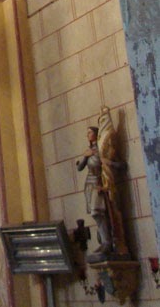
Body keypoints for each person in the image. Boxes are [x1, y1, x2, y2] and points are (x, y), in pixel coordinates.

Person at [76, 108, 128, 262]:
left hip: (101, 183)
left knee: (99, 213)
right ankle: (104, 241)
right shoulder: (89, 151)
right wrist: (85, 157)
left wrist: (108, 162)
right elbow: (80, 168)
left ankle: (107, 242)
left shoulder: (103, 150)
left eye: (90, 132)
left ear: (96, 134)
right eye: (87, 133)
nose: (88, 135)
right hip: (90, 185)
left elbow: (121, 165)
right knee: (96, 214)